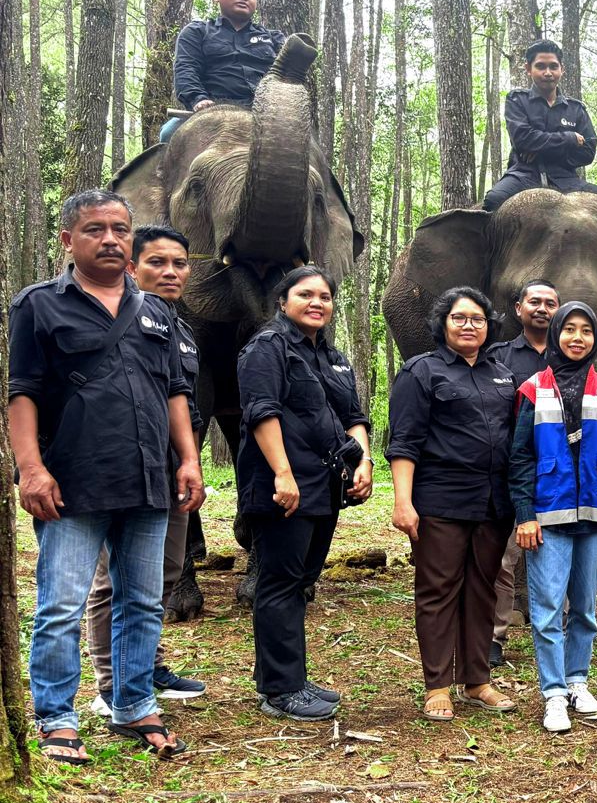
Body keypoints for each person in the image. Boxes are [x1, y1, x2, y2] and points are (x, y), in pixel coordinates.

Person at [10, 190, 204, 763]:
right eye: (95, 229)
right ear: (68, 240)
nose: (111, 239)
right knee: (61, 606)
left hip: (148, 479)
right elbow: (22, 393)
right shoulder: (39, 305)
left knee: (142, 602)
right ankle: (55, 716)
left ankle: (134, 705)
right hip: (73, 482)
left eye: (120, 229)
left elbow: (174, 391)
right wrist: (31, 469)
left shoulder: (156, 312)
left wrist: (189, 459)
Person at [236, 266, 372, 721]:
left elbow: (354, 417)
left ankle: (287, 676)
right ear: (283, 301)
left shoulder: (332, 356)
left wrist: (364, 463)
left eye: (325, 296)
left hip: (325, 486)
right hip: (282, 487)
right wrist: (282, 473)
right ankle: (280, 690)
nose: (317, 303)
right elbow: (262, 411)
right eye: (305, 294)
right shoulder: (267, 347)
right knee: (279, 581)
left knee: (300, 581)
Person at [83, 226, 207, 718]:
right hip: (124, 468)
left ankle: (145, 666)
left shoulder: (181, 330)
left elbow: (183, 404)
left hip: (172, 469)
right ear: (132, 267)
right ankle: (110, 684)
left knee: (163, 574)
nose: (170, 272)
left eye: (179, 263)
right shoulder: (112, 317)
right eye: (157, 262)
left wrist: (190, 460)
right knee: (112, 580)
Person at [388, 287, 519, 722]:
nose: (469, 325)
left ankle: (477, 680)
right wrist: (403, 502)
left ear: (488, 326)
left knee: (483, 590)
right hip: (440, 502)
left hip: (493, 505)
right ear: (442, 324)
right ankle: (437, 685)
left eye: (477, 319)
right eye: (459, 318)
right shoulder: (421, 371)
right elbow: (404, 441)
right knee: (438, 591)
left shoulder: (502, 375)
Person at [510, 302, 597, 733]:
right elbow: (520, 458)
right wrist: (525, 515)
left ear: (595, 339)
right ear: (556, 335)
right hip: (548, 514)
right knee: (547, 609)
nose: (577, 338)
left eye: (586, 330)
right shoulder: (532, 389)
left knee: (585, 608)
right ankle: (554, 694)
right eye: (569, 329)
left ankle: (578, 680)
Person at [485, 279, 561, 667]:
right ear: (519, 308)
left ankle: (557, 632)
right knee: (502, 558)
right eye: (535, 302)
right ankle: (493, 636)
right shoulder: (498, 357)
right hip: (509, 472)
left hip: (558, 474)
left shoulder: (570, 356)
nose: (542, 309)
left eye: (550, 303)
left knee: (558, 554)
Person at [482, 39, 597, 220]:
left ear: (562, 69)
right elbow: (523, 140)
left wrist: (540, 148)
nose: (548, 72)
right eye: (540, 66)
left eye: (553, 66)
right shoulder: (517, 100)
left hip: (567, 178)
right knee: (493, 201)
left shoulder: (576, 109)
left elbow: (588, 152)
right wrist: (569, 139)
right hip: (523, 175)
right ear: (528, 69)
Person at [163, 0, 286, 142]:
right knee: (168, 133)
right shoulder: (196, 32)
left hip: (264, 114)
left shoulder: (274, 38)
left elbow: (287, 78)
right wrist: (198, 99)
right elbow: (186, 69)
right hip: (211, 110)